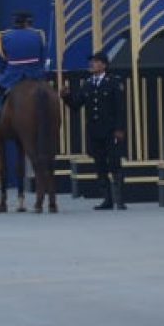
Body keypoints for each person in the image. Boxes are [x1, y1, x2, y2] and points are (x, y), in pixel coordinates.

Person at [61, 51, 127, 210]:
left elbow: (120, 108)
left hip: (111, 130)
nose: (92, 64)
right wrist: (66, 97)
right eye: (91, 62)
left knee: (114, 163)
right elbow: (77, 105)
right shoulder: (88, 84)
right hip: (95, 131)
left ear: (104, 65)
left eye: (96, 62)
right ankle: (107, 199)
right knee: (99, 164)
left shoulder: (113, 82)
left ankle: (119, 198)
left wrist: (120, 128)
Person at [0, 9, 47, 141]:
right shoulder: (38, 35)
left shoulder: (4, 37)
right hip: (35, 75)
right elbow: (42, 58)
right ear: (28, 22)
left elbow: (1, 63)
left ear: (14, 22)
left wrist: (1, 74)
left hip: (11, 77)